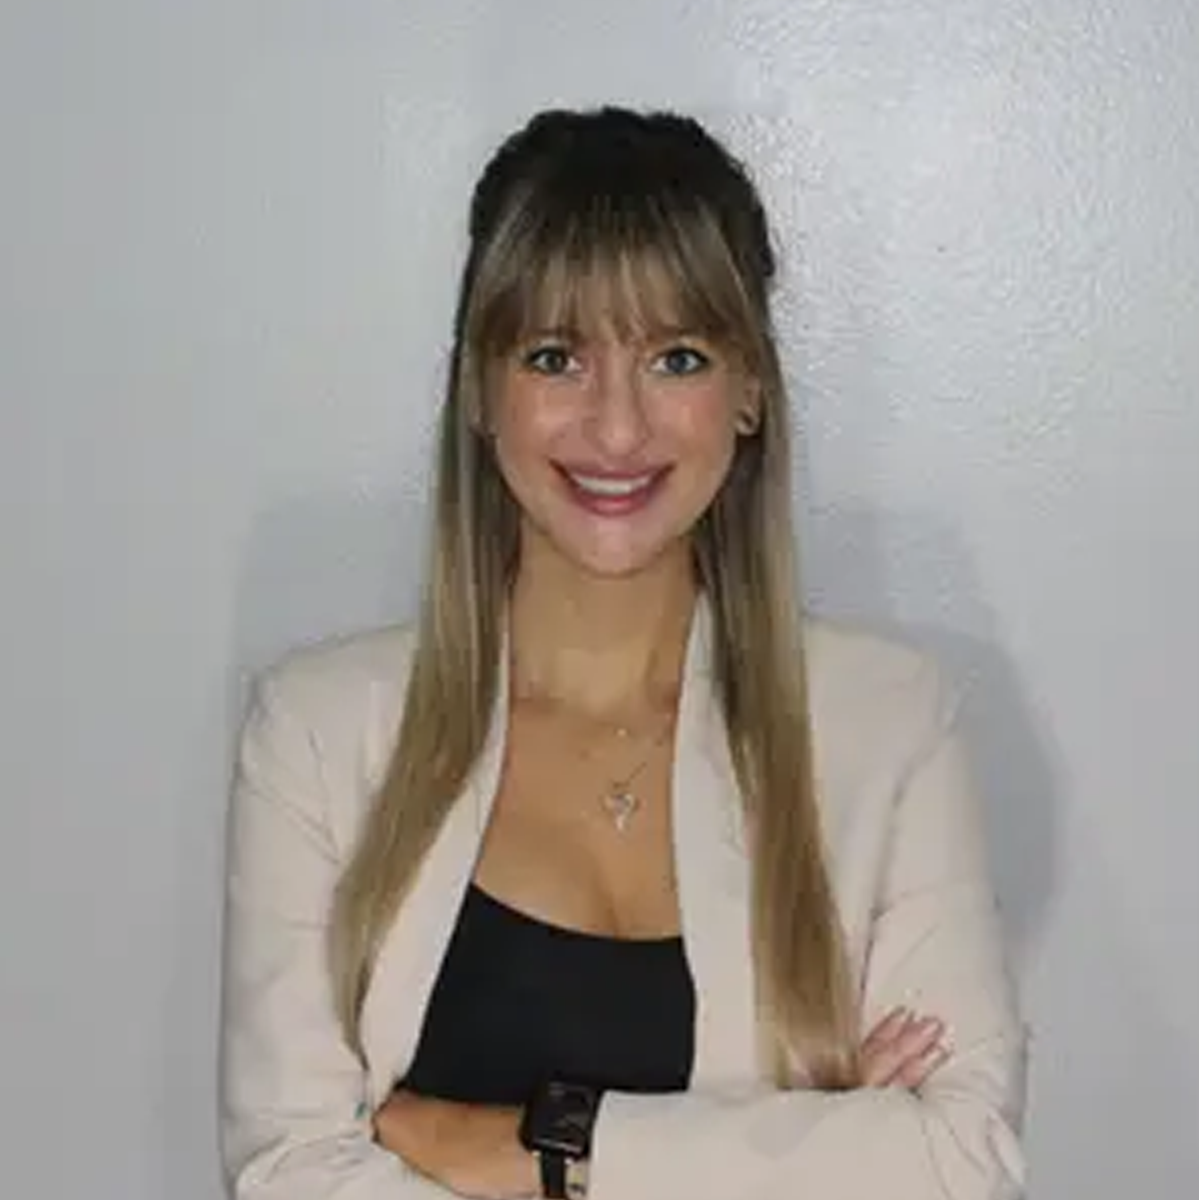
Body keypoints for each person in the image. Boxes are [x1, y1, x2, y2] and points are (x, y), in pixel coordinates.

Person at [219, 106, 1028, 1200]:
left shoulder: (887, 722)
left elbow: (958, 1162)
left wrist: (546, 1147)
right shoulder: (316, 735)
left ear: (749, 392)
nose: (615, 430)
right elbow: (290, 1176)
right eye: (556, 356)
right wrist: (810, 1149)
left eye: (676, 357)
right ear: (477, 389)